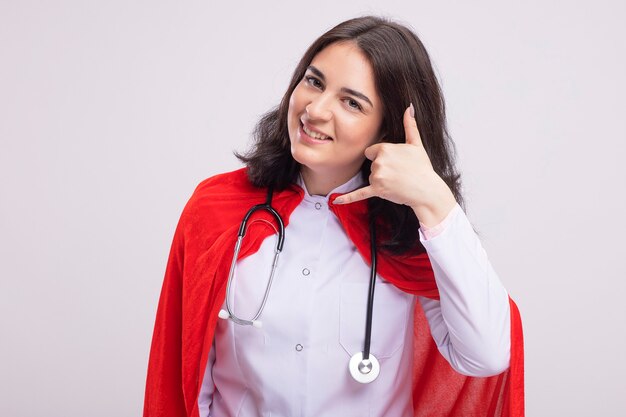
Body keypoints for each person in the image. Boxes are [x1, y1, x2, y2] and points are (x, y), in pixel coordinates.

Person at [143, 16, 524, 417]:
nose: (316, 110)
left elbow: (487, 355)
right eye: (314, 81)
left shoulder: (412, 232)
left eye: (352, 102)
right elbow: (184, 373)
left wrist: (434, 201)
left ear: (386, 129)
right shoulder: (215, 207)